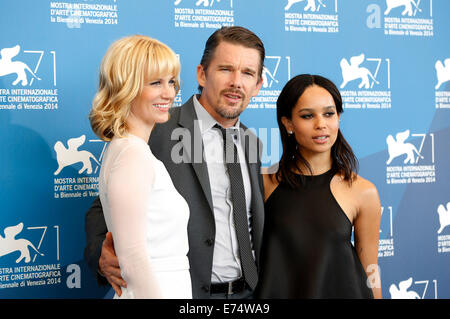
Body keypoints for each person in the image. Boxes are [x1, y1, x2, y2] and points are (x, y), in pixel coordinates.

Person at [84, 26, 266, 299]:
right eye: (226, 69)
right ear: (202, 74)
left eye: (248, 73)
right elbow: (106, 205)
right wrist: (102, 252)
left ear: (259, 84)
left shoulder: (251, 141)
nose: (236, 82)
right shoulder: (155, 128)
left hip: (247, 294)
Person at [255, 74, 382, 299]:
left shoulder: (363, 191)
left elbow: (370, 270)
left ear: (338, 117)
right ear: (288, 123)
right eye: (307, 116)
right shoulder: (263, 183)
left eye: (329, 114)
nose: (321, 124)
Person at [88, 35, 192, 298]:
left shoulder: (130, 150)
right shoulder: (132, 154)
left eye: (171, 81)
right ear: (127, 86)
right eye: (156, 83)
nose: (169, 92)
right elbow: (133, 257)